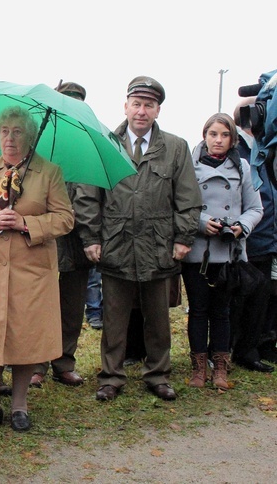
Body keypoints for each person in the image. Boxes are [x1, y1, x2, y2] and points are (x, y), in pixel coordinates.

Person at [76, 76, 202, 402]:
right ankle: (110, 377)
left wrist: (183, 236)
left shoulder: (175, 148)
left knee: (158, 319)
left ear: (158, 109)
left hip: (159, 246)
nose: (141, 111)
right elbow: (88, 195)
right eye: (137, 103)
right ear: (126, 105)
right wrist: (91, 237)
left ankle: (158, 374)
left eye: (149, 105)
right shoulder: (106, 143)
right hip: (115, 244)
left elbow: (188, 197)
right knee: (114, 318)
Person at [0, 106, 73, 432]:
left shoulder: (49, 172)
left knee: (25, 336)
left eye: (17, 131)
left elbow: (65, 218)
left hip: (32, 270)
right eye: (5, 131)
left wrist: (27, 222)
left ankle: (19, 405)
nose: (10, 138)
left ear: (29, 135)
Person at [182, 113, 263, 389]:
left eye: (224, 135)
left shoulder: (242, 167)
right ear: (204, 135)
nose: (218, 140)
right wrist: (202, 223)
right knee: (198, 310)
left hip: (228, 254)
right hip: (197, 252)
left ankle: (220, 368)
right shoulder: (188, 166)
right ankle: (198, 368)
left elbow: (255, 208)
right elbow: (178, 207)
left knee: (222, 311)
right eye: (213, 134)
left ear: (232, 139)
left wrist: (241, 226)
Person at [31, 82, 93, 389]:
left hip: (78, 241)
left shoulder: (88, 148)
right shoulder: (38, 141)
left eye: (77, 103)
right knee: (40, 306)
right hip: (42, 239)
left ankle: (64, 362)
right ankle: (36, 365)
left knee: (71, 308)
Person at [229, 98, 277, 372]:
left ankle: (254, 346)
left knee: (263, 297)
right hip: (249, 238)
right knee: (243, 298)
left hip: (267, 237)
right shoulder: (240, 153)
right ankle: (240, 349)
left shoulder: (265, 150)